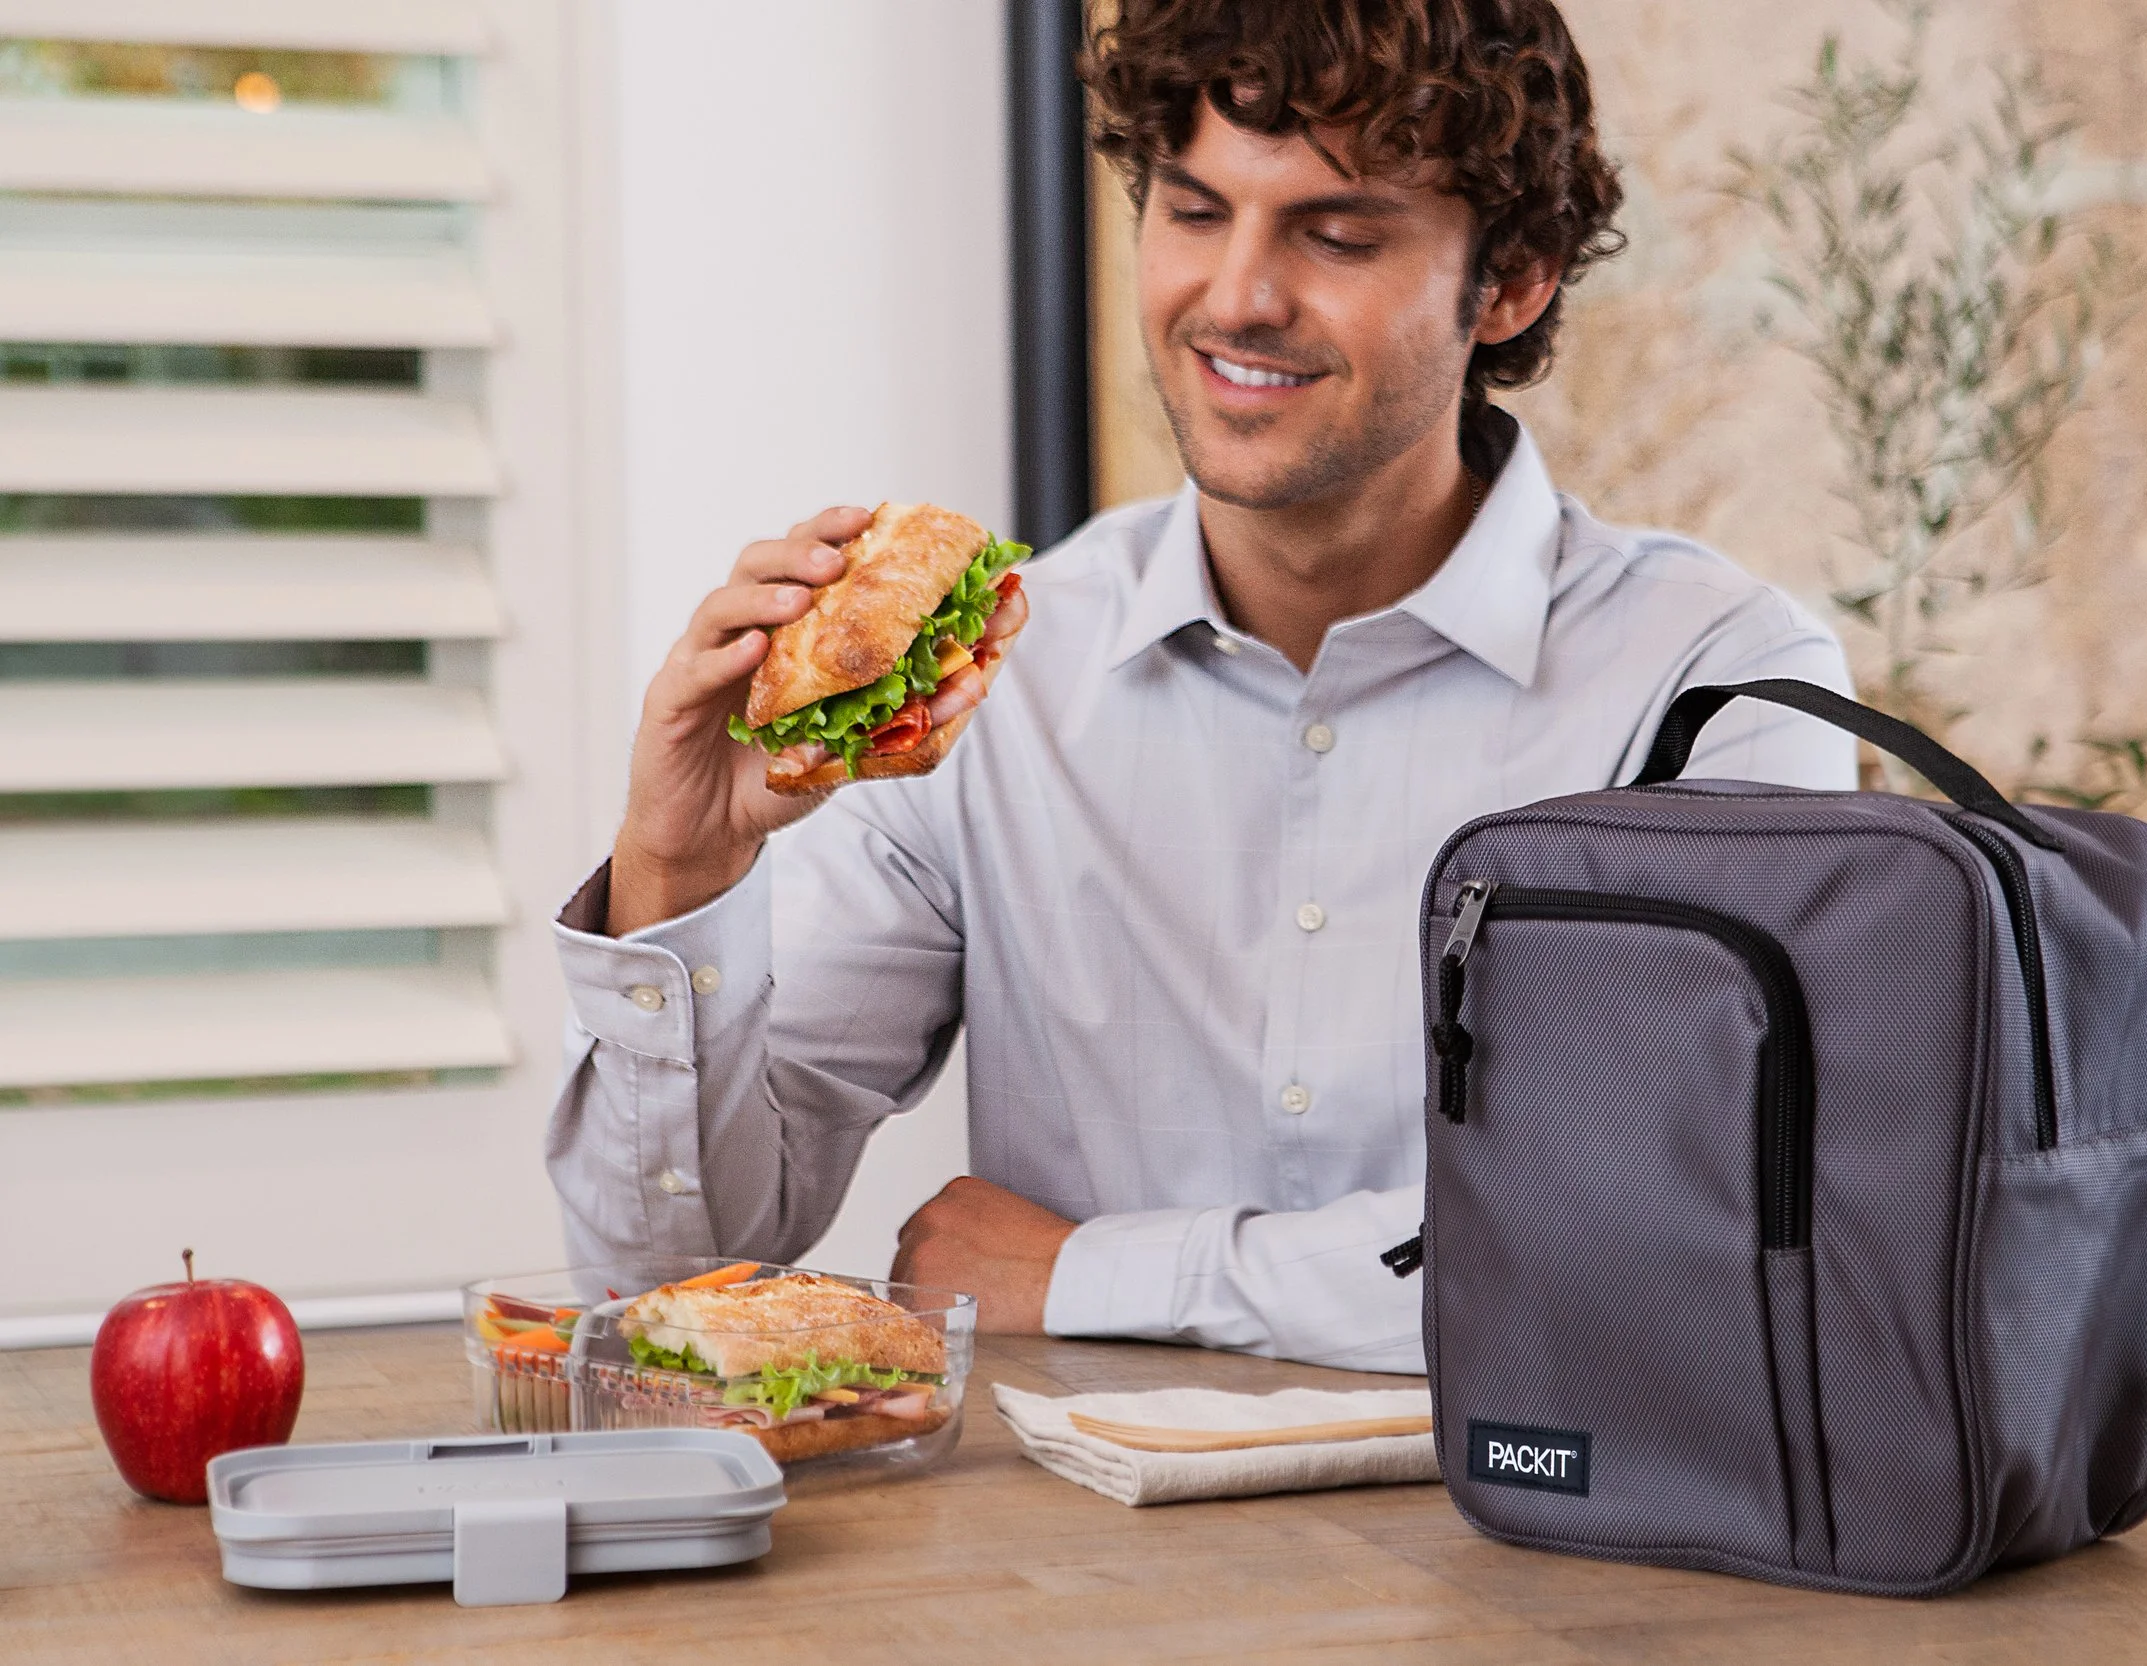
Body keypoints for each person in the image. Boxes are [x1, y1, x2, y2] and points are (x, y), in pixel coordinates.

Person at [545, 0, 1854, 1374]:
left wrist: (1090, 1269)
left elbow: (1667, 1250)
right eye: (1191, 209)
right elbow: (668, 1289)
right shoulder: (1001, 687)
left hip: (1562, 1565)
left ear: (1513, 280)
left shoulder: (1720, 686)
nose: (1235, 297)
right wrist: (682, 871)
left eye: (1336, 234)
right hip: (1074, 1579)